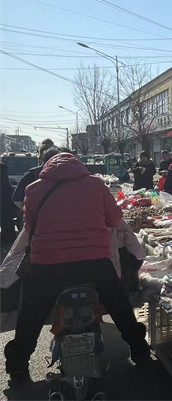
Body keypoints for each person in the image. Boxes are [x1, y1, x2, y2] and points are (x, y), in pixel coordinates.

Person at [4, 152, 149, 384]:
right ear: (79, 165)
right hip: (94, 262)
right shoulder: (96, 185)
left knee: (32, 313)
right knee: (118, 302)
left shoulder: (33, 189)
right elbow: (114, 220)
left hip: (48, 266)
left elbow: (30, 229)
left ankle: (18, 365)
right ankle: (139, 349)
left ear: (46, 166)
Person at [13, 145, 61, 209]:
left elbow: (17, 199)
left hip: (38, 217)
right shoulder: (70, 175)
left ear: (43, 160)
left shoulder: (32, 175)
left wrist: (29, 211)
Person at [0, 162, 17, 242]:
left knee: (6, 221)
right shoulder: (3, 171)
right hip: (6, 200)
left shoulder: (2, 172)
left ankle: (7, 239)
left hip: (4, 200)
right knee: (7, 221)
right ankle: (8, 239)